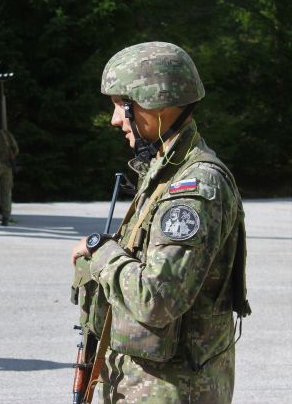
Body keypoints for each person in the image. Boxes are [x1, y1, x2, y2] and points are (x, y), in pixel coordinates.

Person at [71, 42, 250, 403]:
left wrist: (100, 252)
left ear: (156, 103)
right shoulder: (163, 172)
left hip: (170, 389)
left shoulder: (195, 186)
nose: (115, 120)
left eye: (121, 106)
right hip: (145, 383)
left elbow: (158, 298)